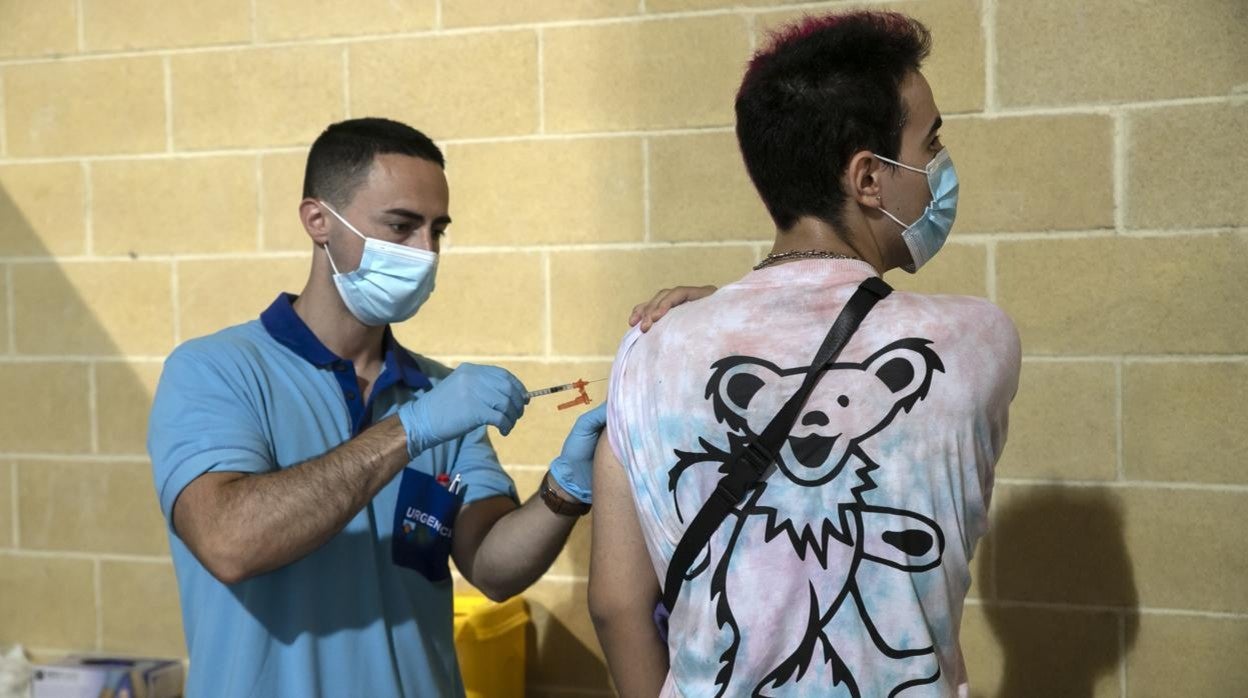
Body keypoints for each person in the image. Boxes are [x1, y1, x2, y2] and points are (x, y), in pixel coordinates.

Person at [147, 117, 710, 696]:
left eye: (437, 230)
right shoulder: (215, 371)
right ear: (318, 221)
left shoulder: (438, 392)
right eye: (401, 226)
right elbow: (229, 542)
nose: (426, 251)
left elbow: (491, 568)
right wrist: (411, 428)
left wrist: (565, 489)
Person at [589, 11, 1021, 697]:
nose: (938, 168)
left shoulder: (652, 348)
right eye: (930, 143)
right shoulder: (980, 341)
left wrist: (719, 315)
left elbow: (616, 604)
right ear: (869, 178)